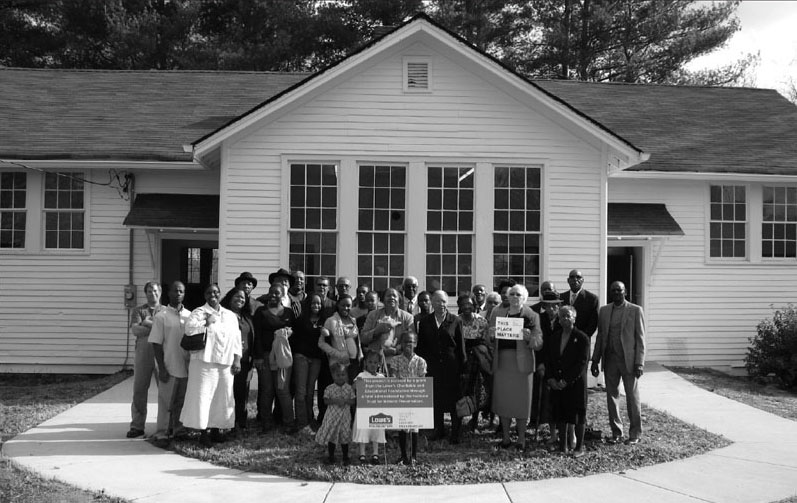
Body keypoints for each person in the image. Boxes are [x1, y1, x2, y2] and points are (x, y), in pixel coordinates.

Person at [180, 283, 242, 447]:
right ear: (205, 295)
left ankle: (217, 429)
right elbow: (189, 330)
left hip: (225, 363)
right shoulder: (199, 312)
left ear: (220, 294)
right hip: (203, 363)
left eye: (216, 292)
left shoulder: (230, 315)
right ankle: (203, 431)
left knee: (222, 397)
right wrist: (206, 322)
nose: (213, 295)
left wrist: (237, 359)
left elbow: (236, 338)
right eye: (209, 292)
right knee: (203, 396)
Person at [488, 284, 543, 451]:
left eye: (518, 294)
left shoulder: (531, 315)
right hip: (503, 363)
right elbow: (488, 339)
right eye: (511, 294)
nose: (514, 297)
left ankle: (521, 439)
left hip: (522, 365)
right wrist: (490, 335)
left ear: (524, 297)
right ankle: (505, 438)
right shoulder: (497, 313)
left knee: (521, 403)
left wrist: (529, 338)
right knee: (503, 401)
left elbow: (539, 343)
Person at [591, 281, 646, 445]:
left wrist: (639, 363)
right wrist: (595, 359)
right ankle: (616, 432)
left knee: (632, 397)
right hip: (610, 360)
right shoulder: (605, 311)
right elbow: (600, 337)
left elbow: (640, 339)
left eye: (619, 290)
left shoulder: (636, 310)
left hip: (629, 361)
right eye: (613, 290)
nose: (616, 293)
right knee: (612, 396)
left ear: (625, 292)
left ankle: (635, 433)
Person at [416, 290, 466, 443]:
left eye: (444, 301)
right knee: (436, 400)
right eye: (438, 301)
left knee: (454, 401)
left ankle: (455, 433)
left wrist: (464, 369)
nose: (441, 304)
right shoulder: (425, 322)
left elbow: (461, 347)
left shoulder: (456, 321)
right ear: (432, 303)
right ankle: (439, 430)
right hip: (433, 367)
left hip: (452, 367)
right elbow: (421, 347)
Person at [544, 305, 589, 457]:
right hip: (557, 383)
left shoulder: (582, 338)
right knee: (561, 414)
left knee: (578, 415)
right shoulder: (554, 337)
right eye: (562, 316)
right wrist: (551, 379)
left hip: (575, 383)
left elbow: (581, 363)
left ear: (574, 318)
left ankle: (578, 448)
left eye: (568, 316)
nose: (565, 318)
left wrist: (566, 380)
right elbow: (549, 360)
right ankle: (562, 446)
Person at [149, 281, 191, 445]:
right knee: (166, 401)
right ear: (169, 293)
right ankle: (162, 433)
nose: (178, 293)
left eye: (181, 291)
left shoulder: (189, 315)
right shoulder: (161, 316)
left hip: (185, 367)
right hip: (169, 365)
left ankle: (178, 430)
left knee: (181, 401)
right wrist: (162, 368)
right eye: (175, 291)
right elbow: (156, 344)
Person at [253, 284, 296, 432]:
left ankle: (289, 423)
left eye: (277, 293)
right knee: (267, 390)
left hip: (283, 356)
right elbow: (256, 335)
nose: (273, 295)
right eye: (271, 292)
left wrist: (290, 333)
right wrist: (257, 356)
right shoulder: (261, 312)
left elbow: (295, 333)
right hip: (265, 355)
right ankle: (266, 422)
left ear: (282, 296)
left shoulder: (289, 313)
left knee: (283, 390)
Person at [127, 281, 164, 438]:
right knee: (140, 390)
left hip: (161, 353)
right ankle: (137, 425)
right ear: (145, 293)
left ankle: (165, 425)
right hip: (143, 353)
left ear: (160, 293)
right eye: (149, 291)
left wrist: (146, 323)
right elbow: (135, 330)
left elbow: (166, 331)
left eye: (155, 291)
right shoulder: (138, 310)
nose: (152, 294)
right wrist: (153, 326)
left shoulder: (165, 311)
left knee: (164, 390)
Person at [389, 331, 427, 465]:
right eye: (405, 342)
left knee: (414, 427)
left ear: (415, 344)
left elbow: (423, 381)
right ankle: (403, 455)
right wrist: (397, 380)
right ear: (401, 343)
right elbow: (393, 376)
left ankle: (414, 456)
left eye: (410, 342)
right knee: (403, 426)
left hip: (415, 397)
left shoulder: (421, 361)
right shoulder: (396, 360)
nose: (407, 345)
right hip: (401, 397)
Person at [220, 287, 255, 433]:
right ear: (230, 297)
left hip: (245, 361)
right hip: (228, 360)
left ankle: (241, 423)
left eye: (243, 298)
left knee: (242, 394)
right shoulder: (223, 315)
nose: (240, 299)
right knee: (228, 393)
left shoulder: (246, 317)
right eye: (237, 296)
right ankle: (225, 423)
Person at [291, 294, 327, 432]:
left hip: (316, 359)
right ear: (308, 305)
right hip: (302, 357)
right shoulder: (301, 320)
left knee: (311, 390)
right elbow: (294, 339)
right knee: (301, 391)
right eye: (313, 303)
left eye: (318, 304)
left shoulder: (324, 321)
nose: (316, 306)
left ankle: (310, 419)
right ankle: (301, 422)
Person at [360, 288, 415, 375]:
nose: (392, 298)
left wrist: (395, 351)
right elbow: (363, 338)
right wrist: (377, 330)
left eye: (394, 296)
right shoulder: (373, 315)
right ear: (382, 300)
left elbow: (410, 342)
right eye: (388, 296)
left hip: (399, 364)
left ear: (399, 300)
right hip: (375, 364)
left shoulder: (408, 317)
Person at [457, 293, 490, 431]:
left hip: (477, 359)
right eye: (463, 304)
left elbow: (486, 342)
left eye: (469, 304)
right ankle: (458, 422)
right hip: (461, 360)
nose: (466, 307)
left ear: (474, 305)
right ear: (459, 306)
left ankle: (474, 420)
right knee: (460, 390)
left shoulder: (482, 321)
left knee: (476, 390)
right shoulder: (455, 321)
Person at [533, 290, 562, 444]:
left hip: (559, 365)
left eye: (554, 306)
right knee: (545, 400)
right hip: (544, 363)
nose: (551, 310)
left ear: (558, 306)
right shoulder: (539, 319)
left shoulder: (563, 319)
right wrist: (540, 363)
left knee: (560, 401)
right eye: (548, 306)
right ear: (543, 306)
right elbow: (537, 343)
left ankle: (563, 433)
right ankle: (550, 432)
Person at [315, 362, 355, 465]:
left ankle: (345, 457)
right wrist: (336, 401)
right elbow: (325, 401)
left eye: (343, 375)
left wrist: (345, 401)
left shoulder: (349, 388)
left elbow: (353, 401)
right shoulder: (329, 388)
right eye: (338, 375)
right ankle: (331, 456)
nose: (341, 377)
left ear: (346, 375)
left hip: (345, 417)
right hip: (332, 416)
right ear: (333, 375)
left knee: (345, 435)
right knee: (332, 435)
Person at [352, 351, 386, 465]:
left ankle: (375, 454)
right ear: (365, 363)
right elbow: (354, 386)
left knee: (376, 431)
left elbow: (387, 390)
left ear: (379, 364)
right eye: (370, 362)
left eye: (375, 362)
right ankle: (362, 454)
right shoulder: (361, 375)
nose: (372, 364)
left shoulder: (381, 377)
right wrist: (358, 383)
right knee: (363, 431)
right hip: (364, 410)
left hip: (377, 410)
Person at [319, 294, 361, 383]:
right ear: (338, 305)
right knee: (341, 392)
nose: (346, 308)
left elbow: (357, 341)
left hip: (354, 363)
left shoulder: (353, 320)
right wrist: (338, 354)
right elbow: (321, 343)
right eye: (343, 305)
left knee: (352, 392)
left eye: (348, 306)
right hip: (339, 364)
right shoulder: (331, 321)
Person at [560, 270, 599, 338]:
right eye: (572, 277)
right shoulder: (561, 298)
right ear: (568, 280)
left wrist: (582, 338)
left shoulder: (592, 299)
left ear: (583, 280)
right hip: (563, 340)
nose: (575, 279)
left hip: (582, 341)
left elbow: (593, 324)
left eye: (578, 277)